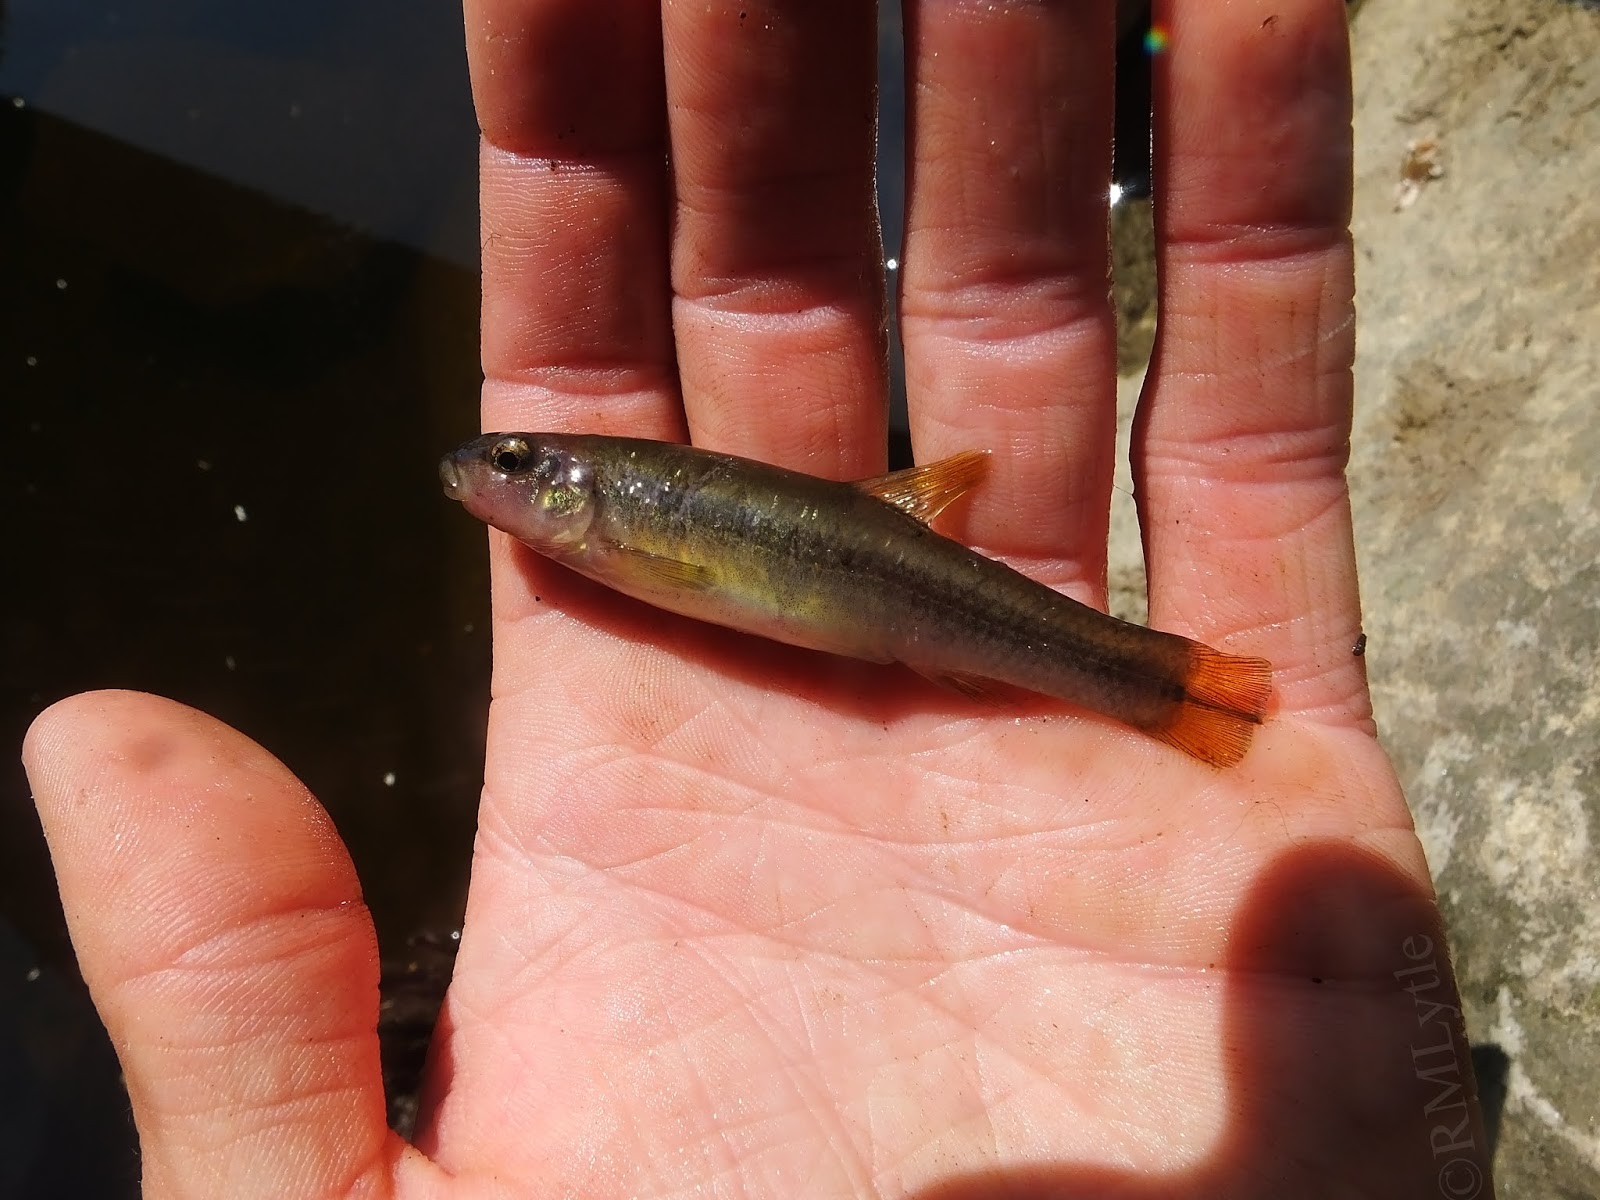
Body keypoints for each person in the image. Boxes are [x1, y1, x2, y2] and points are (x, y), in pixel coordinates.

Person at [23, 0, 1495, 1195]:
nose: (495, 473)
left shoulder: (626, 527)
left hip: (908, 585)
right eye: (509, 465)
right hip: (906, 589)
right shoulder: (609, 533)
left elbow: (680, 551)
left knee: (1083, 652)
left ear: (574, 488)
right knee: (1047, 640)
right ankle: (1168, 684)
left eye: (522, 464)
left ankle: (1169, 684)